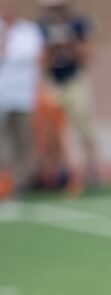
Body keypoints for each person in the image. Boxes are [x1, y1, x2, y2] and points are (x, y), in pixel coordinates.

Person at [37, 0, 98, 186]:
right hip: (54, 81)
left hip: (74, 78)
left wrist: (70, 42)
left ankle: (92, 170)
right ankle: (57, 173)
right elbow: (42, 61)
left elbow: (88, 55)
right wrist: (52, 46)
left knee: (84, 125)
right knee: (52, 130)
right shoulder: (42, 27)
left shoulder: (77, 23)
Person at [0, 0, 43, 202]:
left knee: (23, 141)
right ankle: (4, 183)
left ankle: (21, 184)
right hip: (2, 96)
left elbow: (37, 58)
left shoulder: (27, 31)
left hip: (23, 96)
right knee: (3, 142)